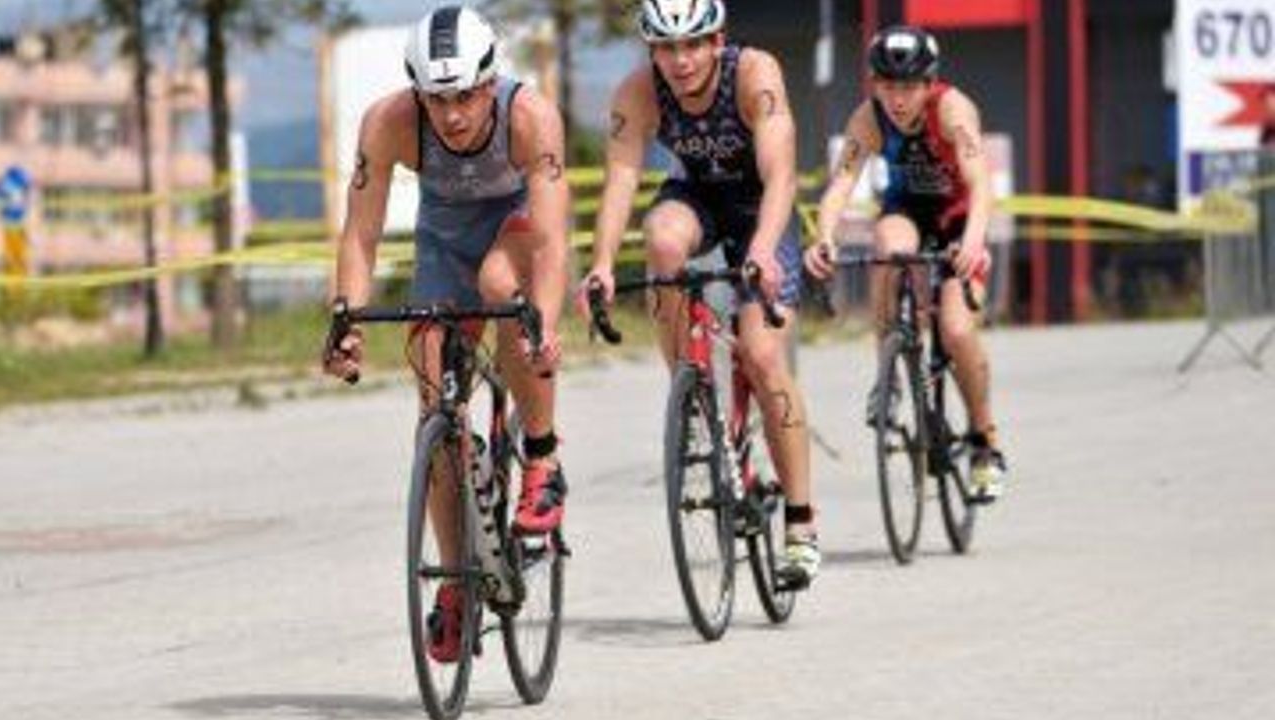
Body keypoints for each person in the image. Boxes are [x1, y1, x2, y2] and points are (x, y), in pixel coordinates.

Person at [322, 5, 570, 660]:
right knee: (434, 413)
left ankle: (542, 457)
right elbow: (360, 234)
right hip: (445, 241)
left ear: (490, 82)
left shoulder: (529, 116)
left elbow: (550, 242)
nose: (452, 114)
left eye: (464, 96)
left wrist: (543, 320)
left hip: (518, 231)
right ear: (417, 93)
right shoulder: (389, 122)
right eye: (436, 99)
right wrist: (345, 319)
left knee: (502, 288)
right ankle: (457, 581)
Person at [579, 0, 819, 587]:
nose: (680, 60)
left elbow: (781, 174)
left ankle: (800, 524)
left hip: (762, 210)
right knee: (662, 240)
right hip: (698, 199)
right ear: (652, 50)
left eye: (692, 44)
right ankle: (688, 390)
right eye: (666, 47)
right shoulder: (638, 91)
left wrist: (763, 251)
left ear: (716, 41)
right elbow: (622, 179)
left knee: (762, 355)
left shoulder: (754, 73)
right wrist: (602, 264)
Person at [805, 24, 1008, 501]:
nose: (898, 98)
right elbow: (840, 184)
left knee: (956, 330)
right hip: (907, 212)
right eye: (888, 86)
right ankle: (890, 371)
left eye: (910, 87)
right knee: (888, 244)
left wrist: (973, 243)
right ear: (875, 84)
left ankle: (985, 441)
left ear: (928, 83)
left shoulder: (952, 109)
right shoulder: (868, 118)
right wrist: (824, 238)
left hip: (959, 220)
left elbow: (980, 183)